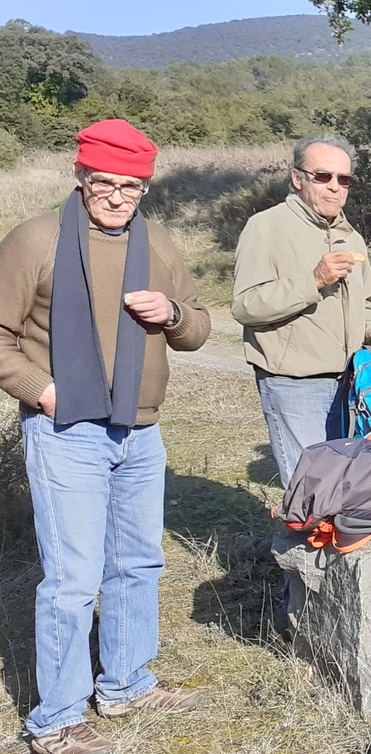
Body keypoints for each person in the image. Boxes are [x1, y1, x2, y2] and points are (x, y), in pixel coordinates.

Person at [0, 119, 211, 754]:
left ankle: (124, 682)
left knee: (138, 561)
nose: (118, 197)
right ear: (79, 175)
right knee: (72, 577)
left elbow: (199, 326)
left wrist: (171, 314)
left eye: (133, 187)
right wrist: (43, 388)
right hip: (66, 430)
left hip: (140, 430)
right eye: (105, 184)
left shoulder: (158, 242)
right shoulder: (36, 240)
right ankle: (58, 718)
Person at [232, 134, 371, 487]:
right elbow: (245, 305)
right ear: (298, 179)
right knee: (310, 489)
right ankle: (297, 544)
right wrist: (314, 280)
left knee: (344, 485)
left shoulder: (350, 236)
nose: (335, 187)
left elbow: (368, 303)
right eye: (323, 176)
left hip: (350, 380)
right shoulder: (266, 228)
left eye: (344, 180)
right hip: (295, 384)